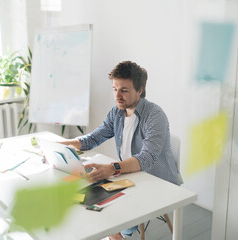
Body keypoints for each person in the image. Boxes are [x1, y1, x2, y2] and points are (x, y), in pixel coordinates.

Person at [61, 60, 183, 239]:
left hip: (157, 182)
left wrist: (112, 168)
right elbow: (94, 138)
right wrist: (64, 145)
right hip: (130, 176)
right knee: (86, 196)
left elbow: (147, 158)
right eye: (114, 89)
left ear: (139, 91)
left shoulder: (155, 115)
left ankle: (116, 233)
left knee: (111, 215)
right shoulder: (116, 113)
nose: (117, 95)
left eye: (124, 90)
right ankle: (114, 233)